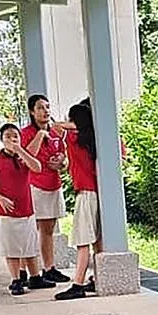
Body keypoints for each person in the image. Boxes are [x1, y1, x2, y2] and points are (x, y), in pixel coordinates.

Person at [0, 124, 52, 296]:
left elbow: (37, 167)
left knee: (29, 245)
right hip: (7, 212)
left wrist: (20, 150)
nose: (12, 139)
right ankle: (16, 279)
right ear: (1, 140)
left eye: (15, 136)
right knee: (11, 247)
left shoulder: (24, 157)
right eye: (8, 136)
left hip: (26, 210)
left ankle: (35, 277)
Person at [20, 93, 72, 284]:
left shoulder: (56, 132)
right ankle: (23, 271)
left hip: (53, 184)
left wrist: (61, 163)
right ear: (32, 112)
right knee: (30, 229)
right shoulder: (26, 133)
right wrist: (40, 135)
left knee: (48, 229)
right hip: (34, 185)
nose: (45, 111)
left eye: (47, 107)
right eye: (40, 108)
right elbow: (26, 156)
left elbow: (64, 158)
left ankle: (49, 268)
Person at [53, 102, 101, 301]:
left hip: (86, 193)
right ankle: (97, 278)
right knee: (97, 241)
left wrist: (73, 124)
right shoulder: (93, 138)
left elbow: (56, 126)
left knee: (83, 241)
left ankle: (78, 284)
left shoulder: (73, 139)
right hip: (96, 193)